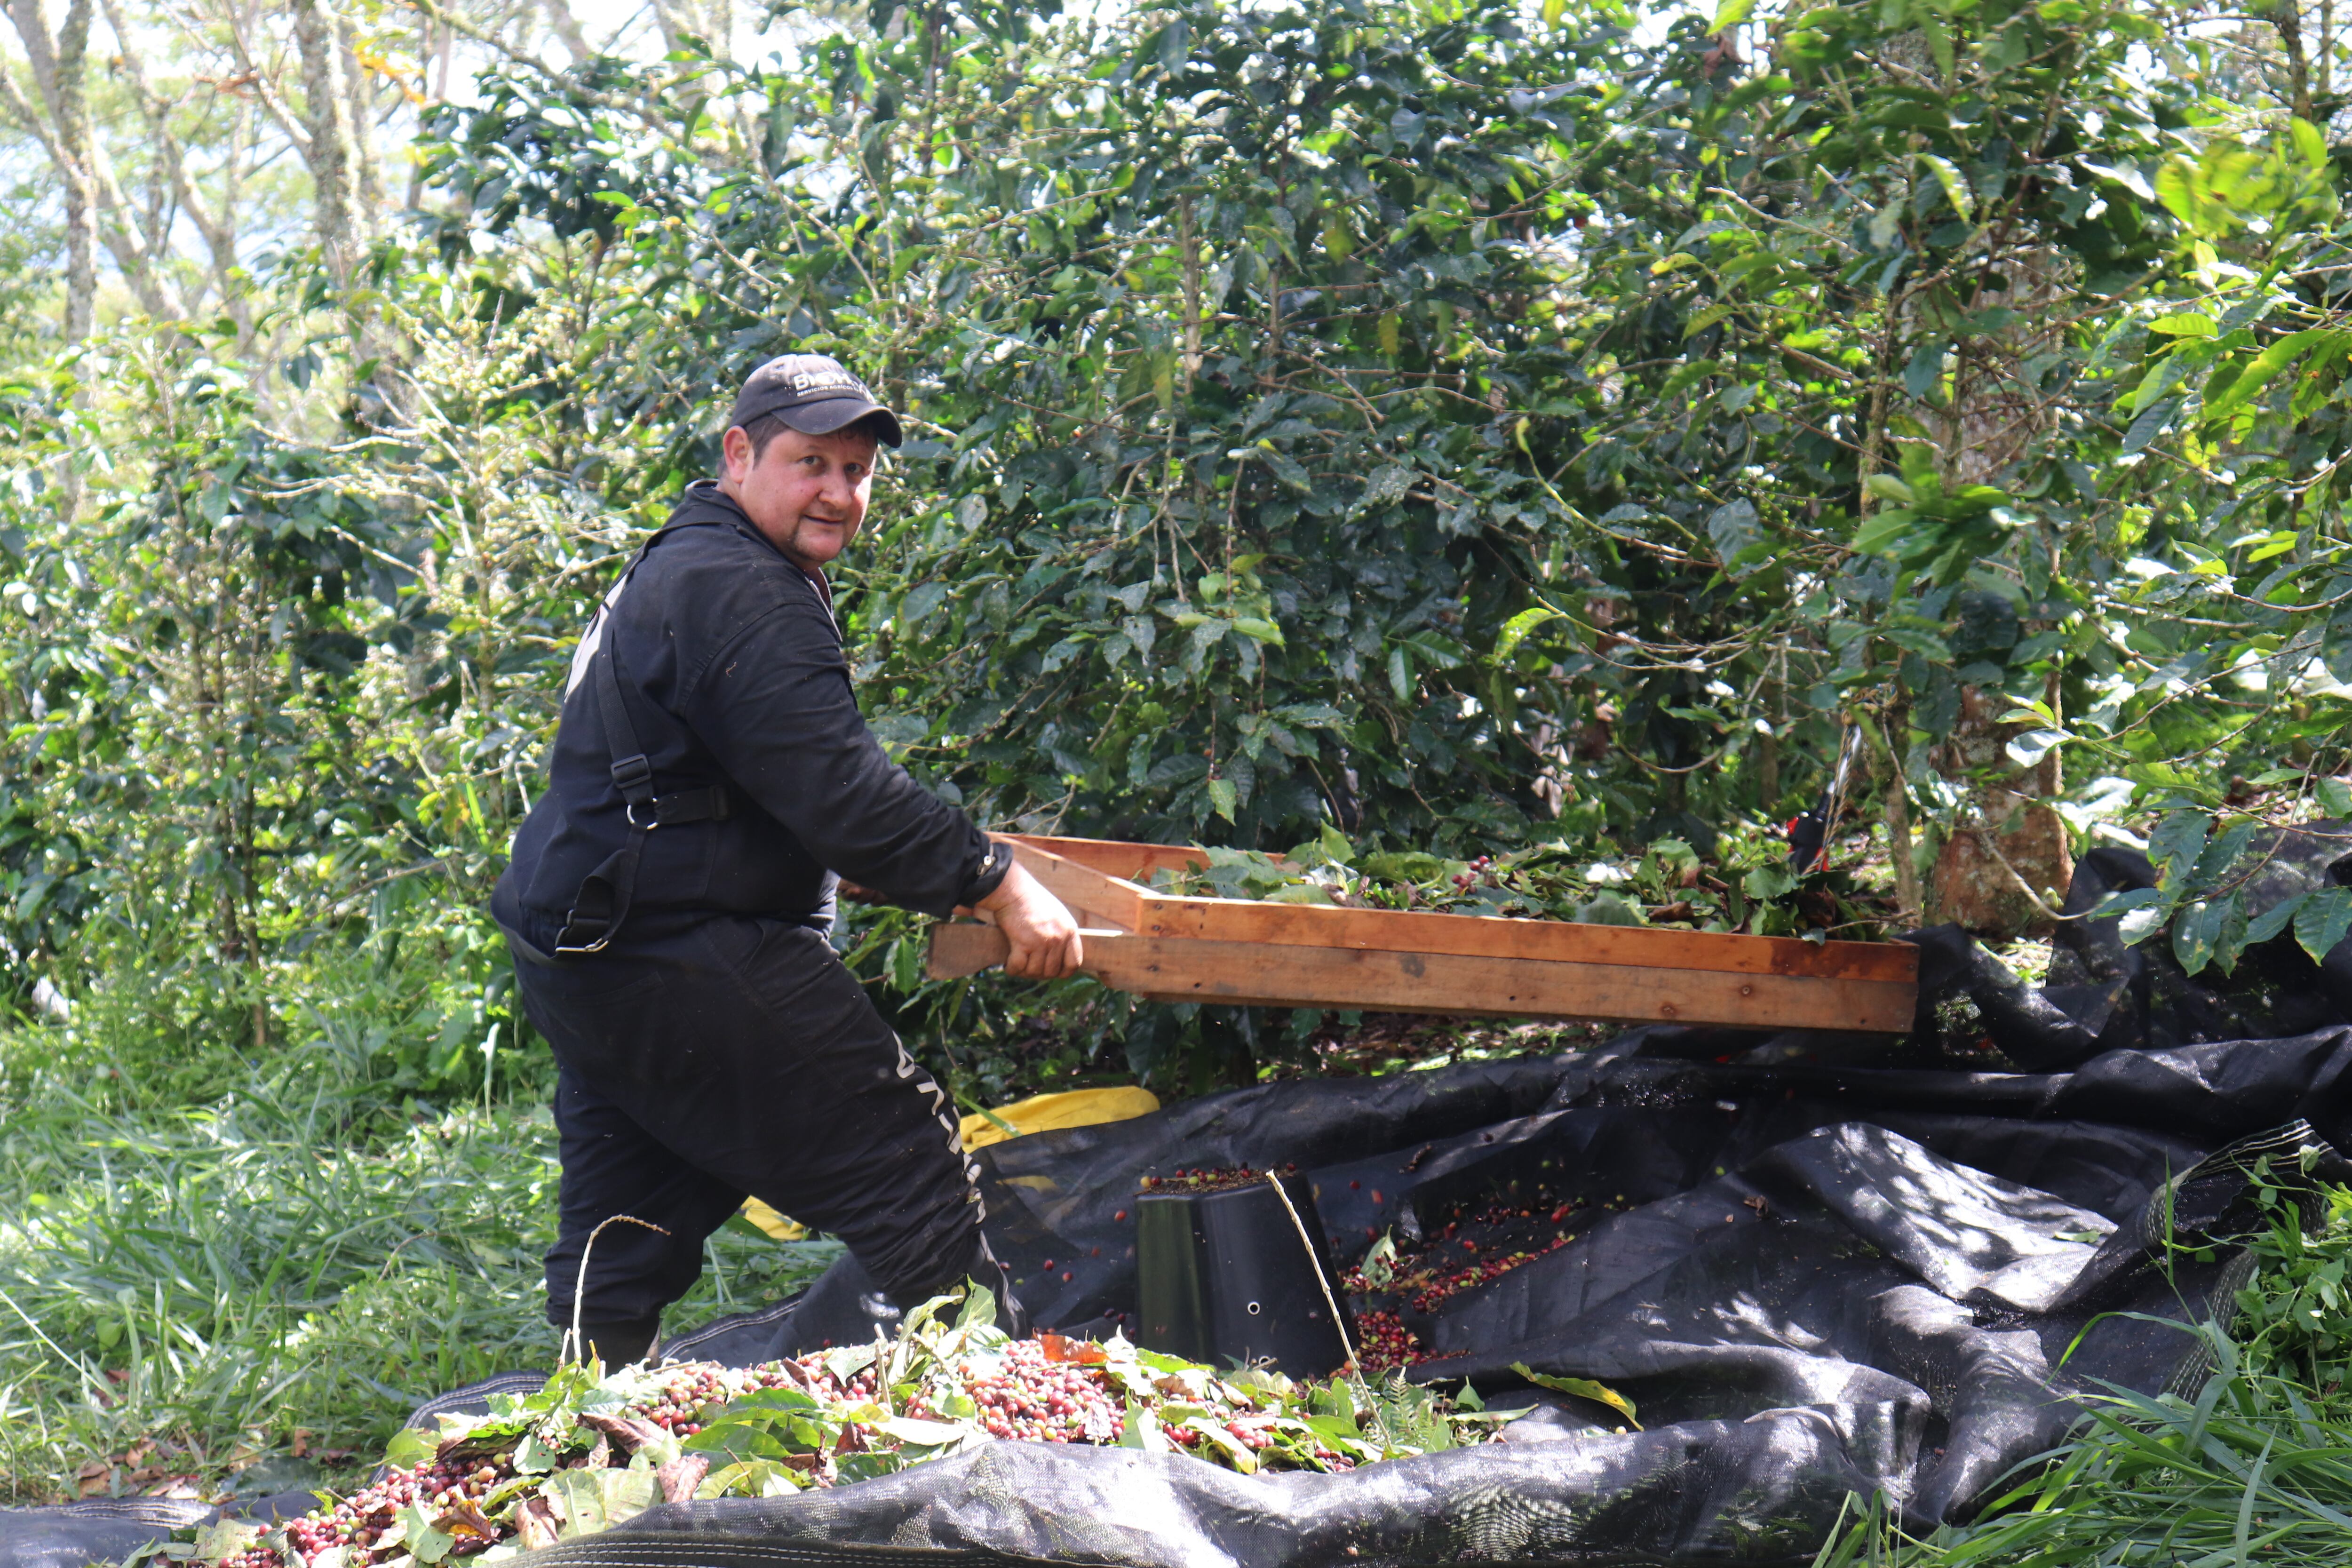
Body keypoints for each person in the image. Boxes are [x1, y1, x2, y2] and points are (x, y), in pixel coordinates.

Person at [491, 353, 1083, 1367]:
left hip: (584, 955)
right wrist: (997, 877)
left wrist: (795, 845)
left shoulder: (686, 557)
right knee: (908, 1169)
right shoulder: (743, 588)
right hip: (678, 951)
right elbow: (843, 791)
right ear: (738, 453)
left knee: (628, 1224)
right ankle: (1004, 1440)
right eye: (811, 462)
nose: (837, 493)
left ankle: (589, 1433)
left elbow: (694, 766)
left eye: (856, 472)